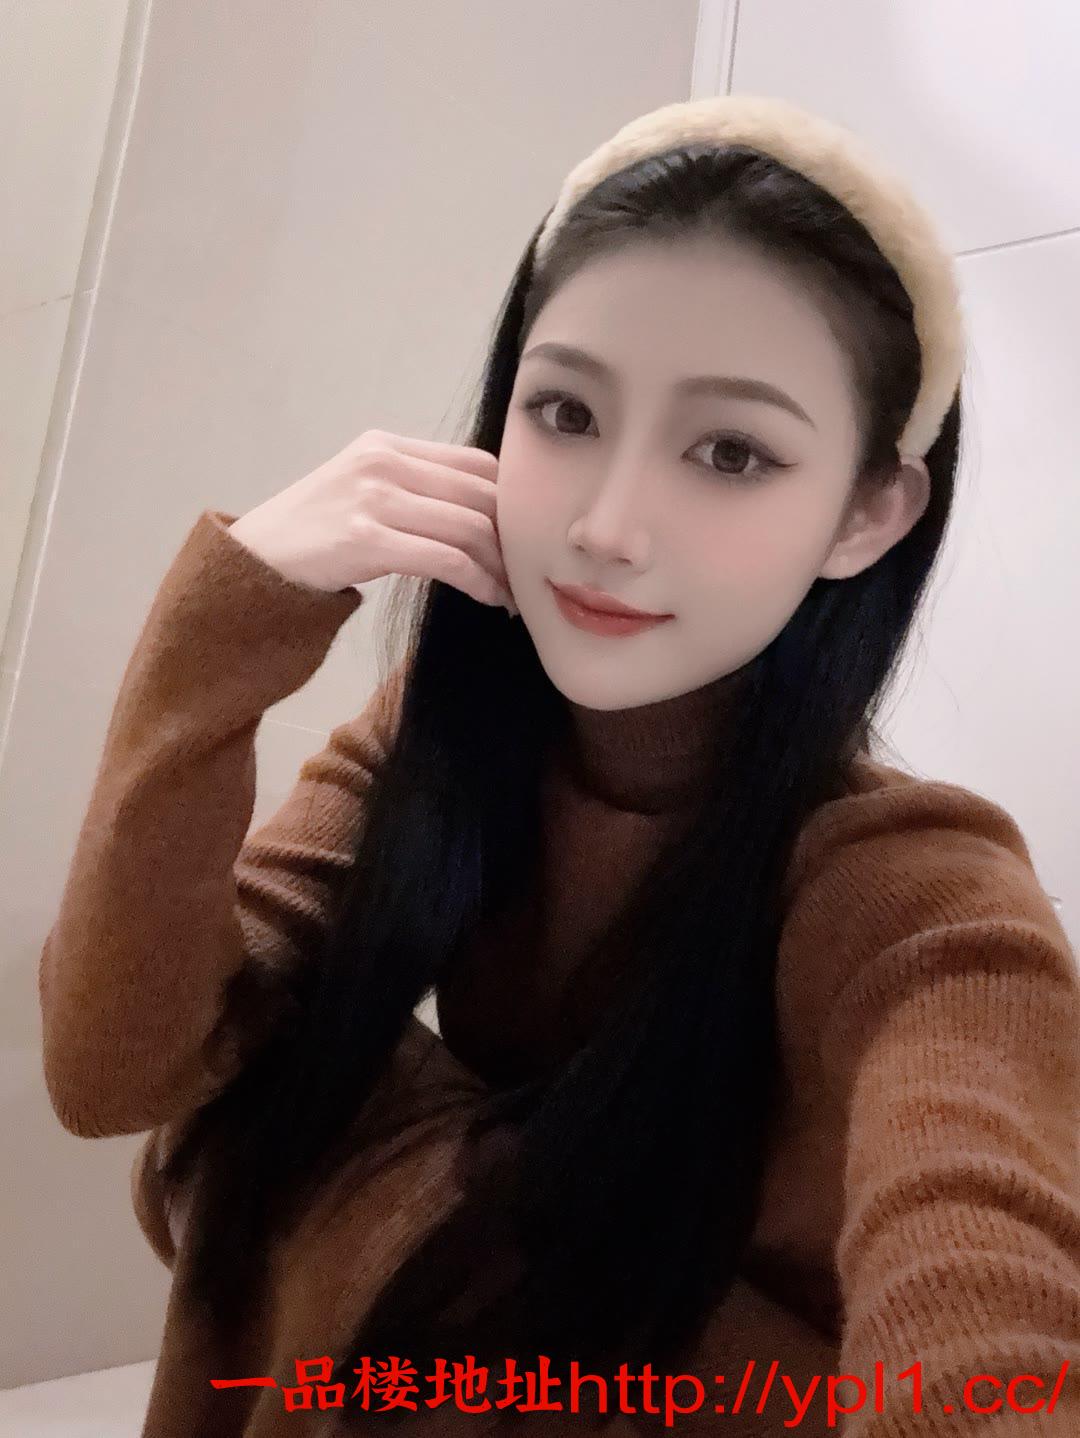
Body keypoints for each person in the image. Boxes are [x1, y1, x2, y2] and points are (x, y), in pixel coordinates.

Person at [39, 95, 1080, 1435]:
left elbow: (997, 1334)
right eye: (566, 411)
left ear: (869, 514)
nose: (606, 525)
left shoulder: (917, 887)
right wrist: (230, 621)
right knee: (255, 1098)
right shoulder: (450, 739)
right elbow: (119, 1074)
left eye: (730, 450)